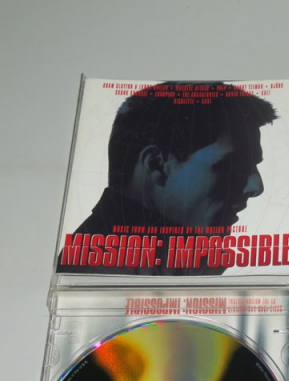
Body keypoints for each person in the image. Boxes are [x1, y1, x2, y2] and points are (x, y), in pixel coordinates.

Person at [58, 81, 277, 275]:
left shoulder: (180, 258)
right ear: (157, 165)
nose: (256, 187)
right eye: (232, 165)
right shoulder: (96, 272)